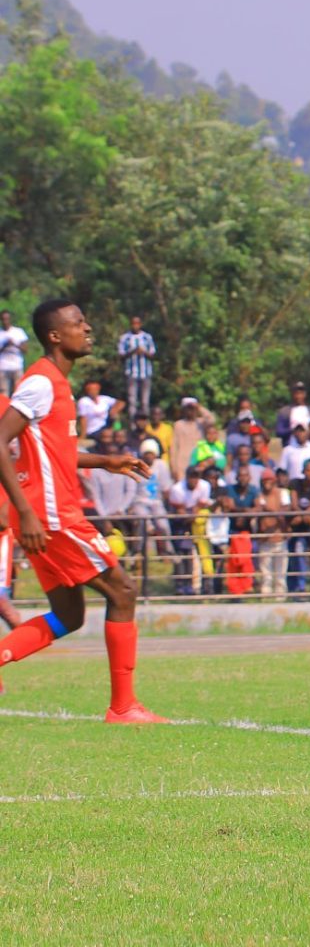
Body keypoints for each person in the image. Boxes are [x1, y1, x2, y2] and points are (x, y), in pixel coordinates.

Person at [0, 299, 163, 721]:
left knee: (68, 615)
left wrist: (106, 461)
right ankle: (123, 706)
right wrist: (28, 512)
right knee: (123, 591)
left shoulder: (55, 384)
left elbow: (54, 453)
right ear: (56, 336)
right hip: (50, 516)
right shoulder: (40, 383)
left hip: (43, 515)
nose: (87, 328)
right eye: (78, 323)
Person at [116, 315, 156, 419]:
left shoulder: (147, 337)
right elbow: (121, 356)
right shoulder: (125, 338)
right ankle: (133, 425)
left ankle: (144, 424)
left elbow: (153, 355)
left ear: (140, 324)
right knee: (132, 401)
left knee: (145, 401)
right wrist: (133, 351)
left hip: (146, 373)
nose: (135, 326)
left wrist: (143, 351)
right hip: (131, 373)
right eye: (133, 323)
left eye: (137, 323)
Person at [0, 310, 28, 398]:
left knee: (18, 391)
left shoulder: (18, 332)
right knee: (4, 392)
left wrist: (14, 344)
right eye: (3, 319)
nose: (5, 321)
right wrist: (5, 345)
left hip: (16, 366)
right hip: (3, 367)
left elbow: (25, 350)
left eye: (7, 319)